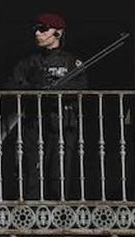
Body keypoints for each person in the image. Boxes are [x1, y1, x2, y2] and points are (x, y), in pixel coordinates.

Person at [5, 12, 87, 201]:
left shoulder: (71, 62)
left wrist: (57, 90)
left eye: (43, 29)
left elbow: (81, 87)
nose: (37, 33)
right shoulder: (29, 62)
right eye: (36, 29)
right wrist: (35, 87)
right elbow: (12, 85)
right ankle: (32, 212)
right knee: (32, 172)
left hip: (62, 123)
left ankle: (60, 213)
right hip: (35, 122)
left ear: (58, 33)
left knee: (61, 173)